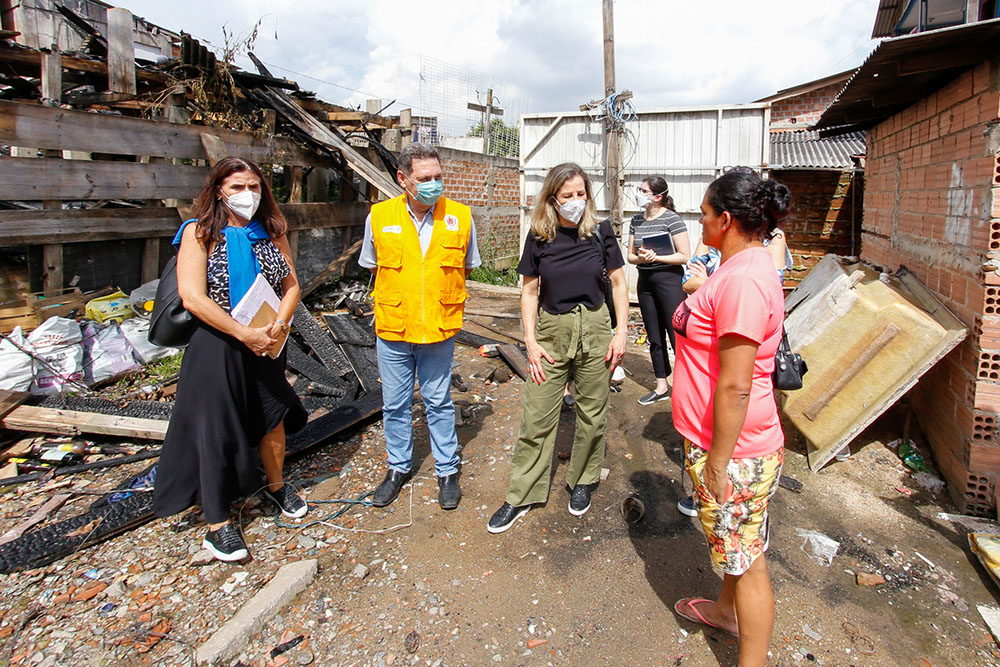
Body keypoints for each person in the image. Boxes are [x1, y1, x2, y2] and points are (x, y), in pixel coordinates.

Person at [153, 157, 308, 562]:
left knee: (272, 415)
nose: (248, 195)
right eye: (238, 187)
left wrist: (278, 324)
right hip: (218, 344)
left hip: (269, 338)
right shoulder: (200, 232)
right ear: (219, 189)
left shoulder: (271, 230)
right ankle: (218, 524)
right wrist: (244, 333)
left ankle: (276, 486)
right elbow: (193, 297)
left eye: (254, 186)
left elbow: (291, 283)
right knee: (215, 429)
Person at [670, 170, 791, 666]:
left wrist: (718, 461)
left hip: (736, 452)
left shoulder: (742, 280)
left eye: (703, 213)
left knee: (750, 560)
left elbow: (738, 384)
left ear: (725, 219)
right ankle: (724, 611)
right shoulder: (740, 263)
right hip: (727, 443)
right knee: (739, 547)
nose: (699, 221)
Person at [487, 162, 628, 534]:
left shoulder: (601, 232)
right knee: (536, 417)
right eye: (568, 196)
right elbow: (529, 292)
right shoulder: (539, 235)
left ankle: (582, 480)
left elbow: (617, 283)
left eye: (581, 194)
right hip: (552, 330)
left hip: (596, 327)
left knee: (593, 414)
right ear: (552, 198)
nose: (576, 201)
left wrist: (621, 332)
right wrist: (530, 341)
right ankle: (521, 495)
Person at [360, 142, 481, 511]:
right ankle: (397, 468)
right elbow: (371, 264)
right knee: (394, 405)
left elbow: (468, 266)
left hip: (439, 330)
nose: (433, 184)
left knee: (438, 402)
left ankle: (447, 470)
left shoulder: (460, 216)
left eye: (438, 177)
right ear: (403, 179)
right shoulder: (378, 217)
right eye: (424, 178)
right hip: (395, 329)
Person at [627, 177, 690, 405]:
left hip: (669, 279)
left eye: (643, 190)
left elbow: (684, 255)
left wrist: (658, 257)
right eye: (639, 189)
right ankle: (661, 385)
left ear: (658, 196)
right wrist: (642, 258)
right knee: (654, 335)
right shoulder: (636, 220)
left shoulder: (672, 219)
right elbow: (630, 256)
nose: (639, 193)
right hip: (645, 280)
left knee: (677, 333)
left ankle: (686, 386)